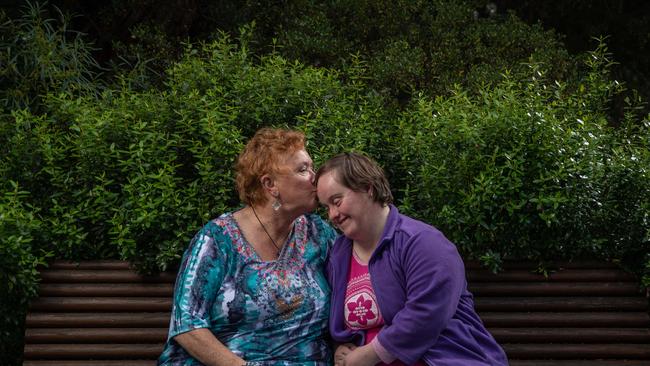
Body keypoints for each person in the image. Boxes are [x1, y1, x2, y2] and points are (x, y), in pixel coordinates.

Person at [158, 128, 337, 366]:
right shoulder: (217, 240)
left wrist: (347, 343)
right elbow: (187, 325)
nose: (315, 177)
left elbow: (354, 290)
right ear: (270, 184)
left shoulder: (319, 234)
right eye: (303, 169)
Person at [316, 152, 508, 366]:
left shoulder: (422, 242)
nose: (332, 214)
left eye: (337, 201)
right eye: (327, 207)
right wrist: (340, 347)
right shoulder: (339, 255)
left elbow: (427, 313)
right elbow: (338, 323)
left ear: (367, 187)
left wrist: (370, 354)